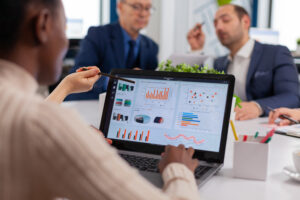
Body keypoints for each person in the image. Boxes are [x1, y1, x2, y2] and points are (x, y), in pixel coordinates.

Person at [0, 0, 200, 199]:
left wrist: (66, 86)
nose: (66, 42)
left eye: (147, 8)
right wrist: (179, 169)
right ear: (43, 25)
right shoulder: (48, 125)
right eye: (65, 27)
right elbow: (39, 125)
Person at [187, 4, 299, 121]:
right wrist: (196, 50)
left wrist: (257, 106)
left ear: (245, 21)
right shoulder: (219, 63)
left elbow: (292, 97)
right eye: (215, 24)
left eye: (225, 20)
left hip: (264, 129)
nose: (219, 27)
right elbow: (198, 92)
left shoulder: (276, 53)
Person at [66, 0, 159, 100]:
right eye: (136, 7)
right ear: (120, 7)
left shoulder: (151, 47)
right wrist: (117, 81)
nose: (143, 14)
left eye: (147, 8)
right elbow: (79, 75)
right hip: (94, 106)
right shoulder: (97, 36)